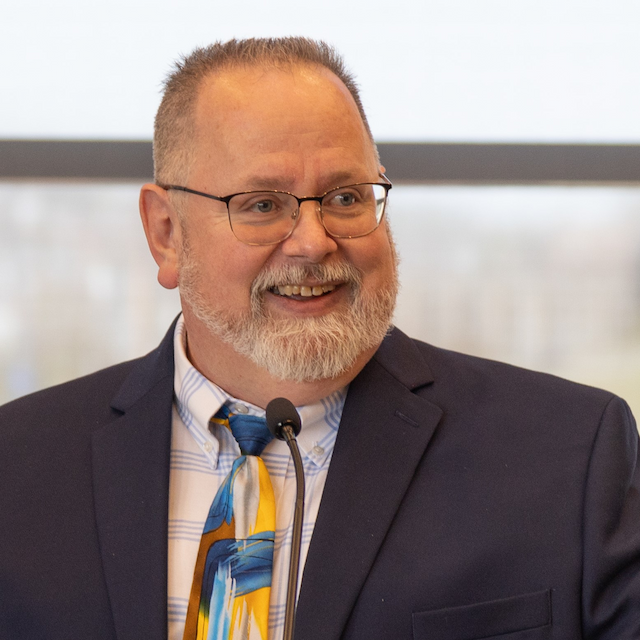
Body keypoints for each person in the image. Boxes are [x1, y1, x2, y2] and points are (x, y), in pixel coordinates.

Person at [1, 37, 639, 640]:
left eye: (344, 197)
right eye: (261, 205)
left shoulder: (570, 456)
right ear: (167, 233)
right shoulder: (17, 467)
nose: (312, 241)